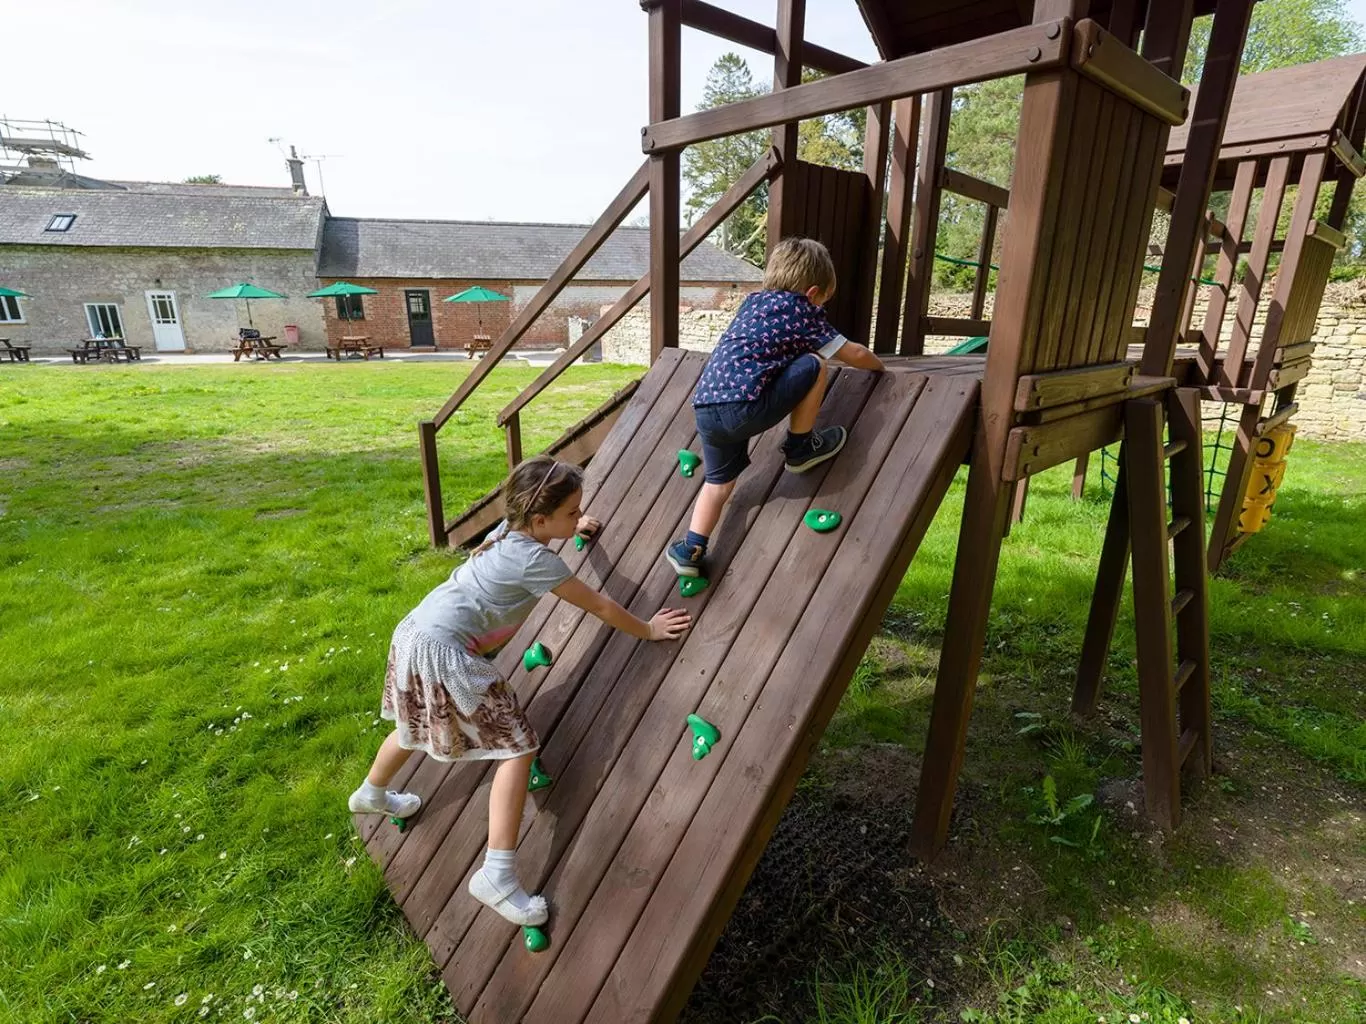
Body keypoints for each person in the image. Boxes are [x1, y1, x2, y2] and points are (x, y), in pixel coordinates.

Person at [349, 455, 691, 926]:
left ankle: (371, 792)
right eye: (572, 513)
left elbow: (542, 543)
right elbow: (602, 607)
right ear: (539, 520)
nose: (578, 518)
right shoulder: (537, 561)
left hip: (415, 632)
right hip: (448, 654)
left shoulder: (505, 533)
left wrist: (574, 528)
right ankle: (498, 874)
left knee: (416, 726)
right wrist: (649, 630)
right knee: (516, 748)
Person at [666, 237, 885, 578]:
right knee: (816, 363)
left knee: (719, 483)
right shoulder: (802, 312)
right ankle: (801, 448)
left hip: (706, 406)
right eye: (824, 301)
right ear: (813, 294)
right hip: (745, 406)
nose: (822, 308)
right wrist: (882, 368)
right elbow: (853, 354)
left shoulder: (753, 305)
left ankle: (691, 549)